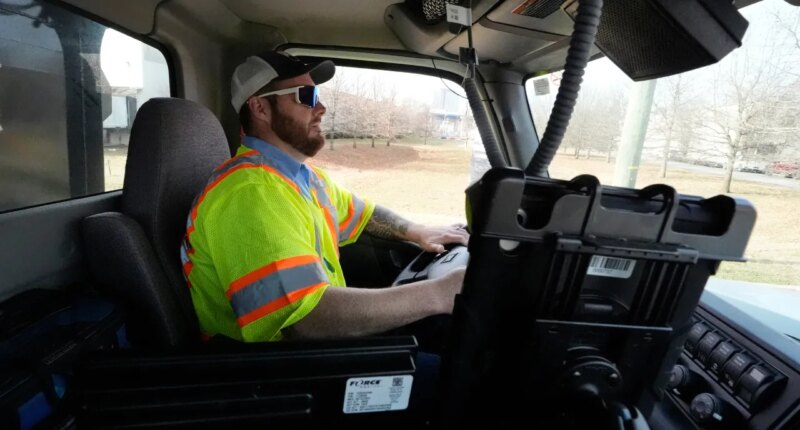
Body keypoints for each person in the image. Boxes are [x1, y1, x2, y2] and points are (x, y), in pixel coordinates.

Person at [180, 51, 468, 347]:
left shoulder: (302, 178)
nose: (321, 107)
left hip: (319, 351)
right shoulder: (250, 193)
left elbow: (363, 213)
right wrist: (438, 293)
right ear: (260, 108)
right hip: (279, 373)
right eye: (306, 95)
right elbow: (304, 321)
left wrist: (416, 230)